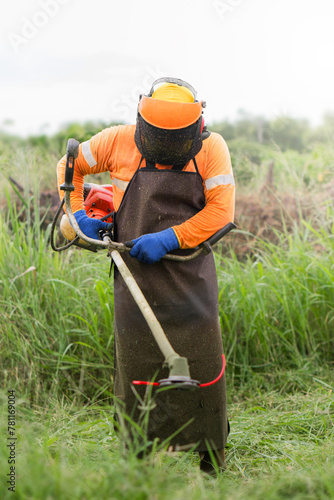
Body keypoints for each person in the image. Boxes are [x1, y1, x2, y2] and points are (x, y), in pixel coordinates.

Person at [57, 77, 235, 474]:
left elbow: (222, 212)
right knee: (138, 366)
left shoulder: (212, 149)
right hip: (135, 276)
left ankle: (210, 454)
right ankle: (137, 454)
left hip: (191, 274)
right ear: (143, 122)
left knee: (202, 363)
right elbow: (69, 166)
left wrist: (171, 237)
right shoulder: (116, 141)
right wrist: (78, 213)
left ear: (194, 127)